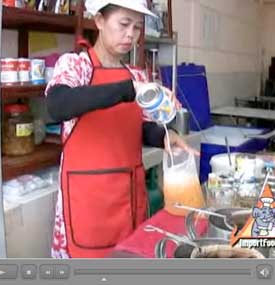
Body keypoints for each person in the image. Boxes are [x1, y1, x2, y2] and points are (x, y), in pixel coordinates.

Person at [45, 0, 198, 258]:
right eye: (124, 24)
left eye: (137, 28)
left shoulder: (136, 75)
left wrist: (164, 136)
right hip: (89, 203)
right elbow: (57, 105)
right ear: (100, 21)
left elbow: (136, 127)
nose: (131, 35)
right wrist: (127, 90)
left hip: (129, 197)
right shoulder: (75, 66)